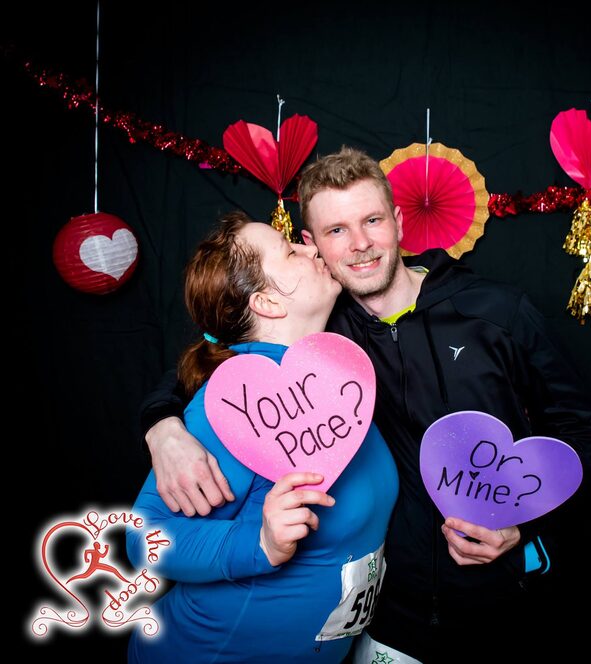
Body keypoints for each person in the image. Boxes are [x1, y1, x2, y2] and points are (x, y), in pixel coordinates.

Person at [141, 149, 591, 661]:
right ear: (312, 245)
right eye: (335, 231)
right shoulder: (320, 331)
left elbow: (579, 430)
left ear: (399, 222)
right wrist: (162, 426)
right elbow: (218, 363)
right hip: (391, 624)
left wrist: (524, 523)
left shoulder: (496, 312)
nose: (359, 245)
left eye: (372, 220)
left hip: (502, 605)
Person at [127, 211, 398, 663]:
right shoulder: (241, 401)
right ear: (267, 302)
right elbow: (147, 538)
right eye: (293, 250)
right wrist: (261, 544)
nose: (315, 250)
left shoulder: (337, 377)